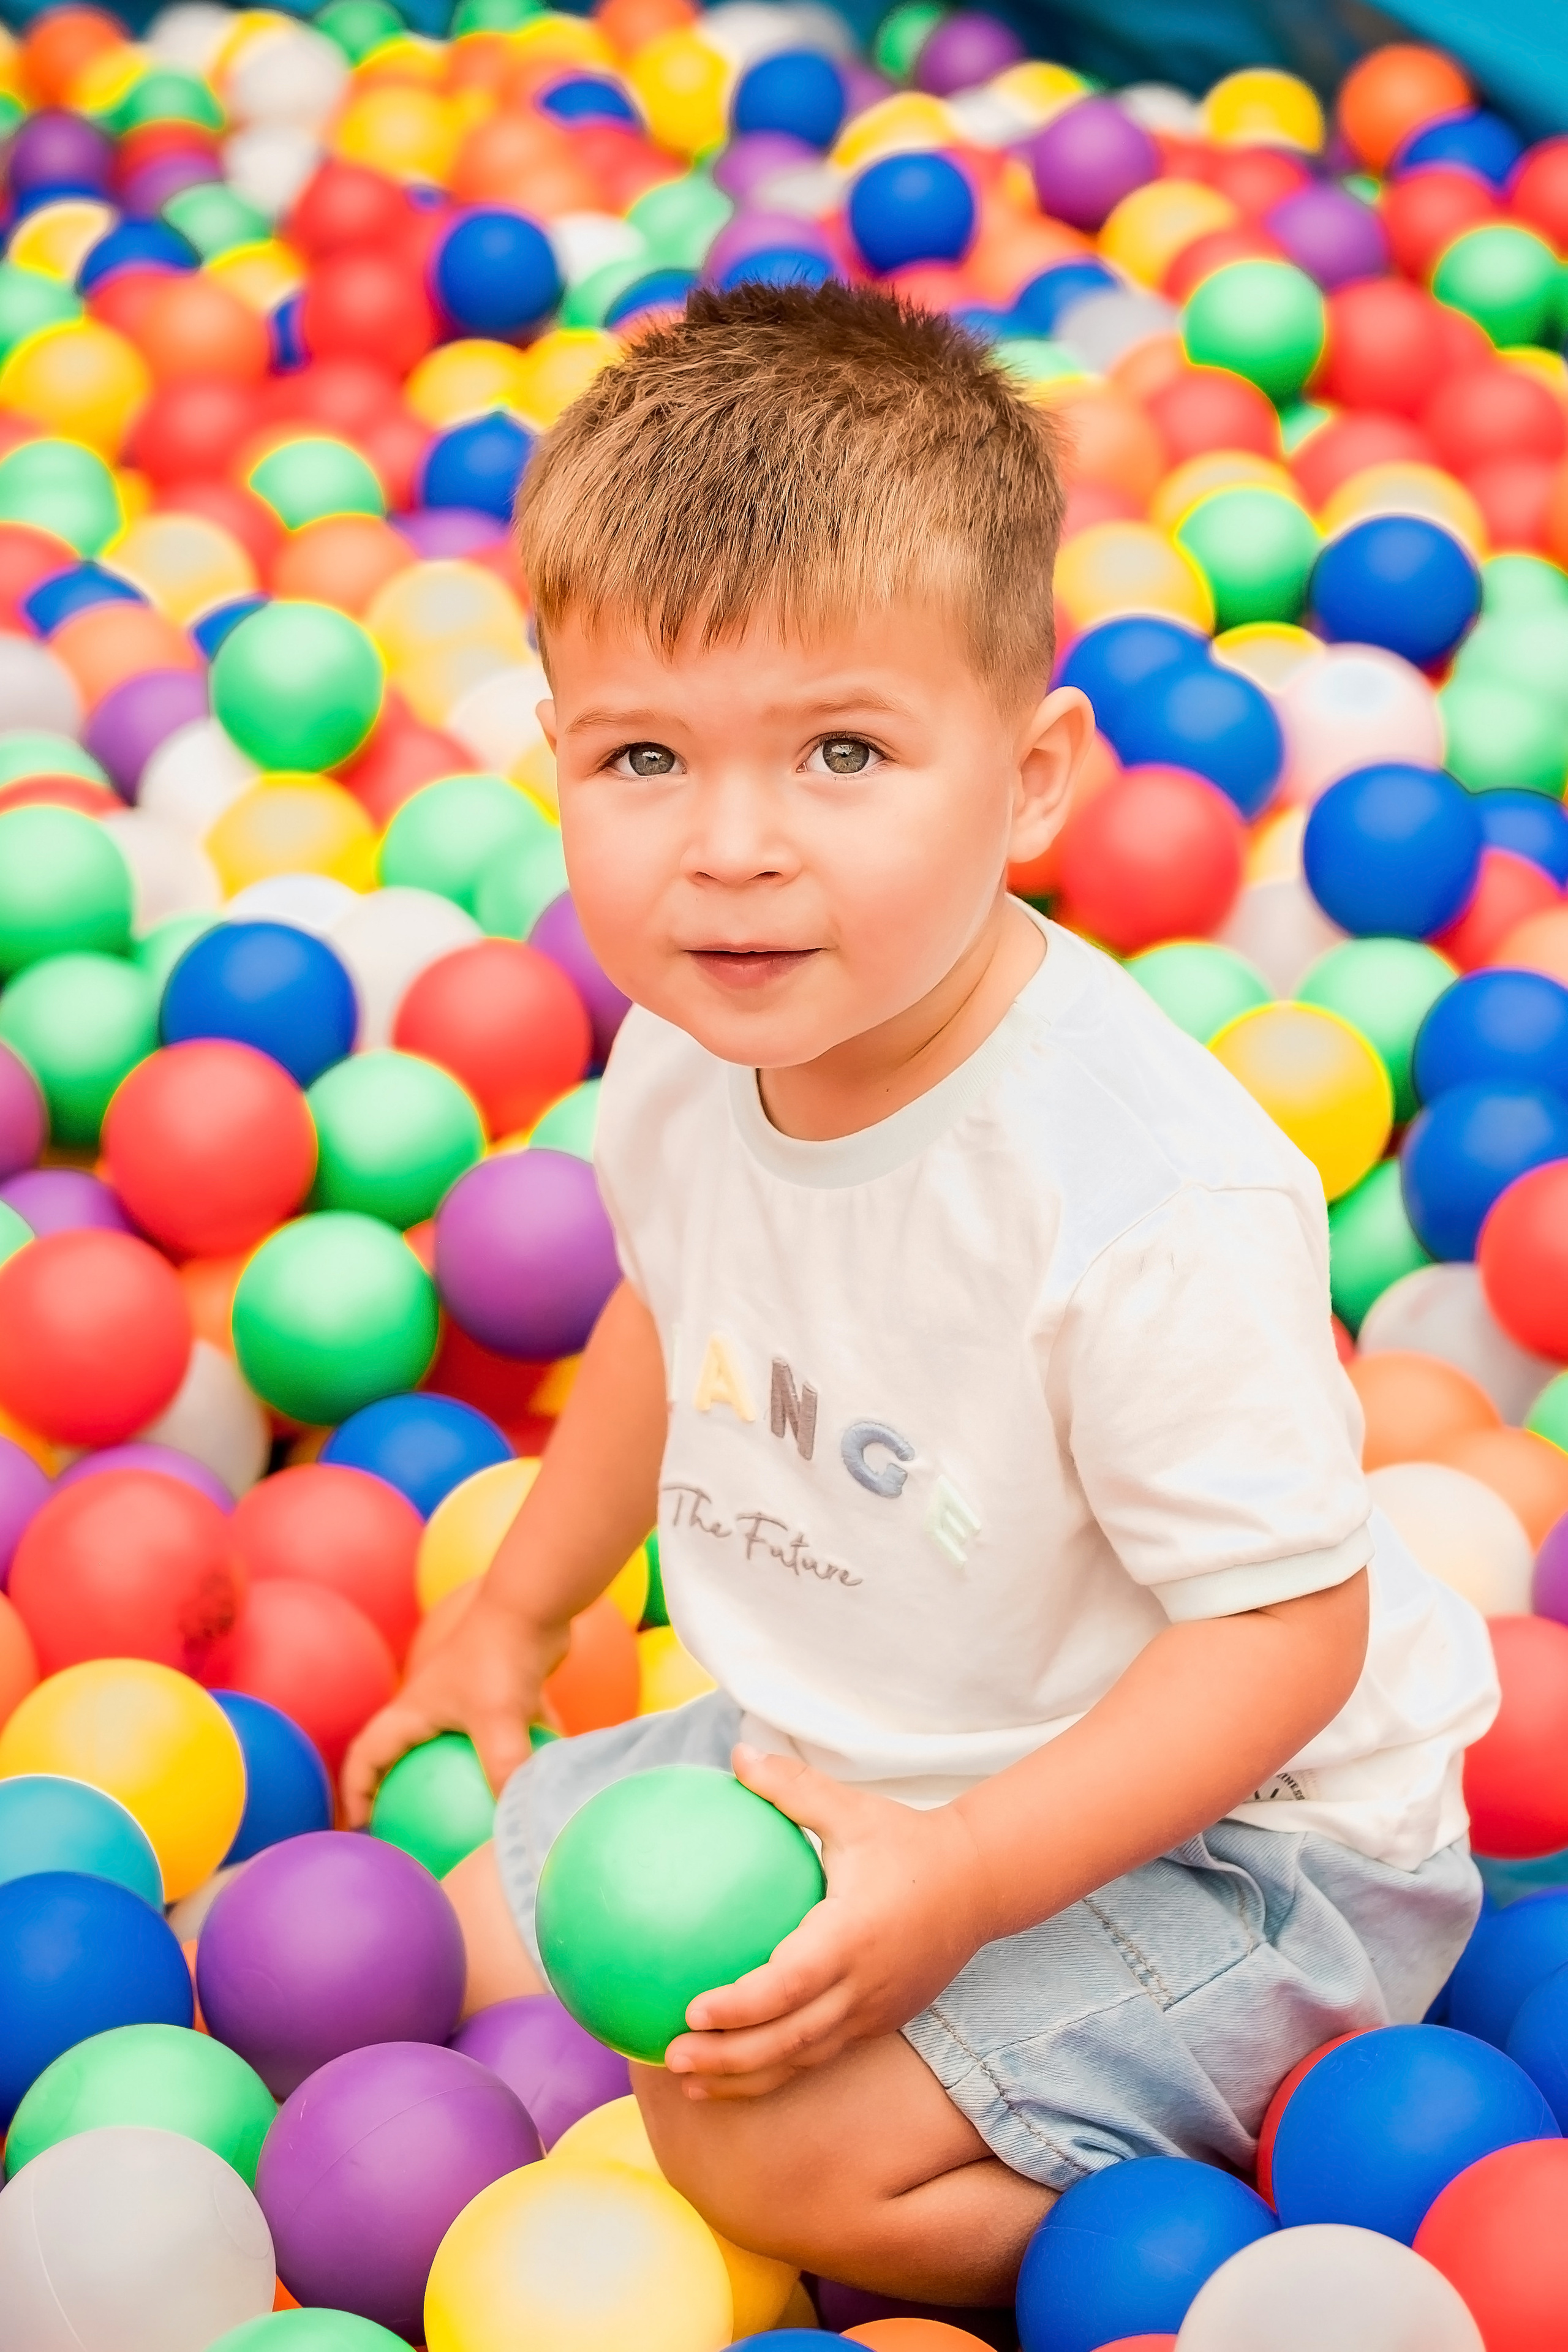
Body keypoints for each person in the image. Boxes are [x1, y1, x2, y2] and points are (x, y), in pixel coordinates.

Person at [344, 282, 1497, 2305]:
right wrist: (511, 1615)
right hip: (877, 1740)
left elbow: (1287, 1635)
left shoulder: (1132, 1191)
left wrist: (961, 1882)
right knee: (473, 1941)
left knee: (751, 2147)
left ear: (1033, 779)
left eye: (844, 752)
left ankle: (1211, 2266)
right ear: (553, 763)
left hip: (1236, 1835)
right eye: (644, 757)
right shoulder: (692, 1047)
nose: (732, 852)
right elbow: (674, 1316)